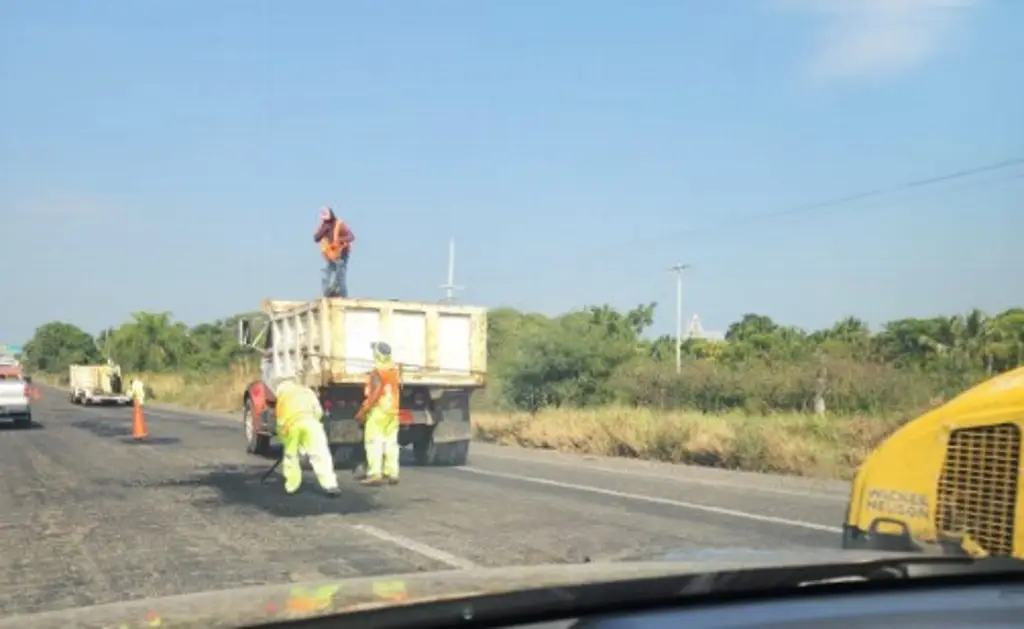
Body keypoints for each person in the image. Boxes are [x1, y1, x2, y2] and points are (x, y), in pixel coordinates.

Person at [273, 377, 341, 496]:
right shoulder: (306, 391)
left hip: (291, 427)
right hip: (311, 423)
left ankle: (291, 486)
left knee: (290, 456)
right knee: (321, 454)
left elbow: (280, 423)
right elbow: (318, 411)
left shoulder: (282, 398)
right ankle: (331, 485)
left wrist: (285, 440)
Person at [354, 342, 401, 486]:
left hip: (378, 410)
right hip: (392, 411)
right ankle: (392, 473)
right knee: (391, 443)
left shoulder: (377, 372)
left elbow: (376, 391)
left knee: (373, 442)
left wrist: (364, 410)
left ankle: (375, 473)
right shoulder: (393, 370)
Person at [313, 206, 355, 298]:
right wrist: (322, 231)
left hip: (342, 253)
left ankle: (344, 298)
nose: (327, 222)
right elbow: (316, 238)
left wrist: (340, 240)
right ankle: (326, 296)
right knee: (326, 274)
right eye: (325, 220)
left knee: (340, 277)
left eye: (328, 220)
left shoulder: (339, 225)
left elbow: (352, 236)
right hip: (332, 254)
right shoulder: (324, 226)